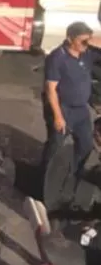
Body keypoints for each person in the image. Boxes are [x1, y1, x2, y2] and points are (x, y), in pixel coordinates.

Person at [42, 21, 99, 206]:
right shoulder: (57, 58)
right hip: (63, 108)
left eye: (88, 41)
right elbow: (51, 89)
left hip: (81, 109)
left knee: (86, 145)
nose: (86, 44)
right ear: (69, 39)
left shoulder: (86, 54)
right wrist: (58, 116)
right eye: (82, 41)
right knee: (56, 144)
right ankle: (45, 181)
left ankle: (73, 174)